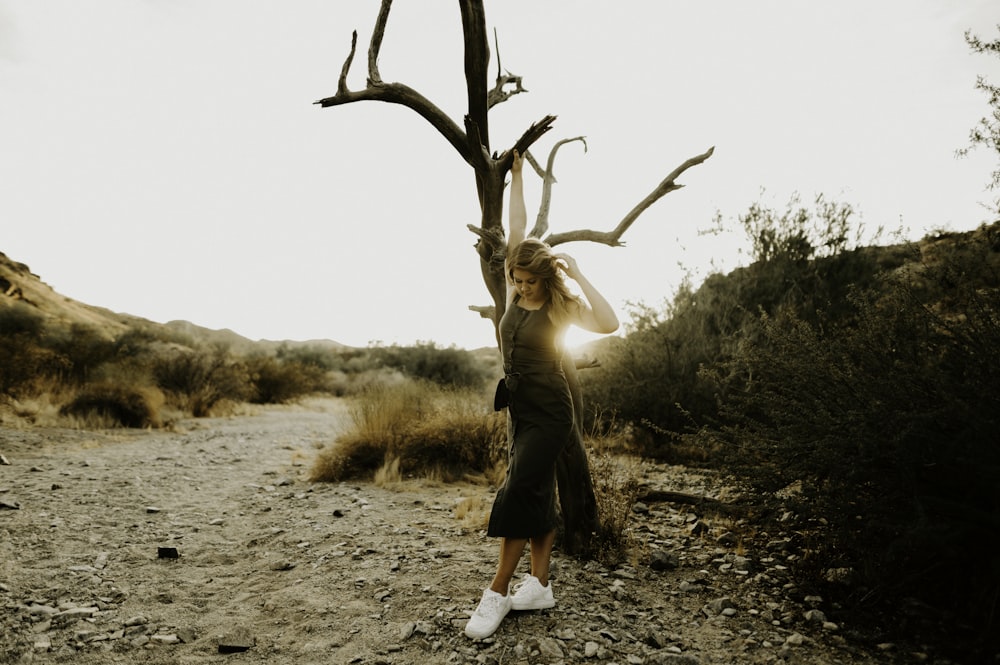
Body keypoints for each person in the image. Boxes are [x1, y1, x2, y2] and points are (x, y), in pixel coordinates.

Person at [464, 151, 619, 640]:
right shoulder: (514, 287)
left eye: (530, 281)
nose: (521, 287)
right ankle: (541, 585)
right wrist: (514, 178)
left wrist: (577, 271)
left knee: (516, 492)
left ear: (545, 279)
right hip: (519, 408)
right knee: (538, 491)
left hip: (551, 411)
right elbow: (516, 227)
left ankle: (497, 593)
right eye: (517, 279)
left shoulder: (557, 304)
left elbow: (610, 323)